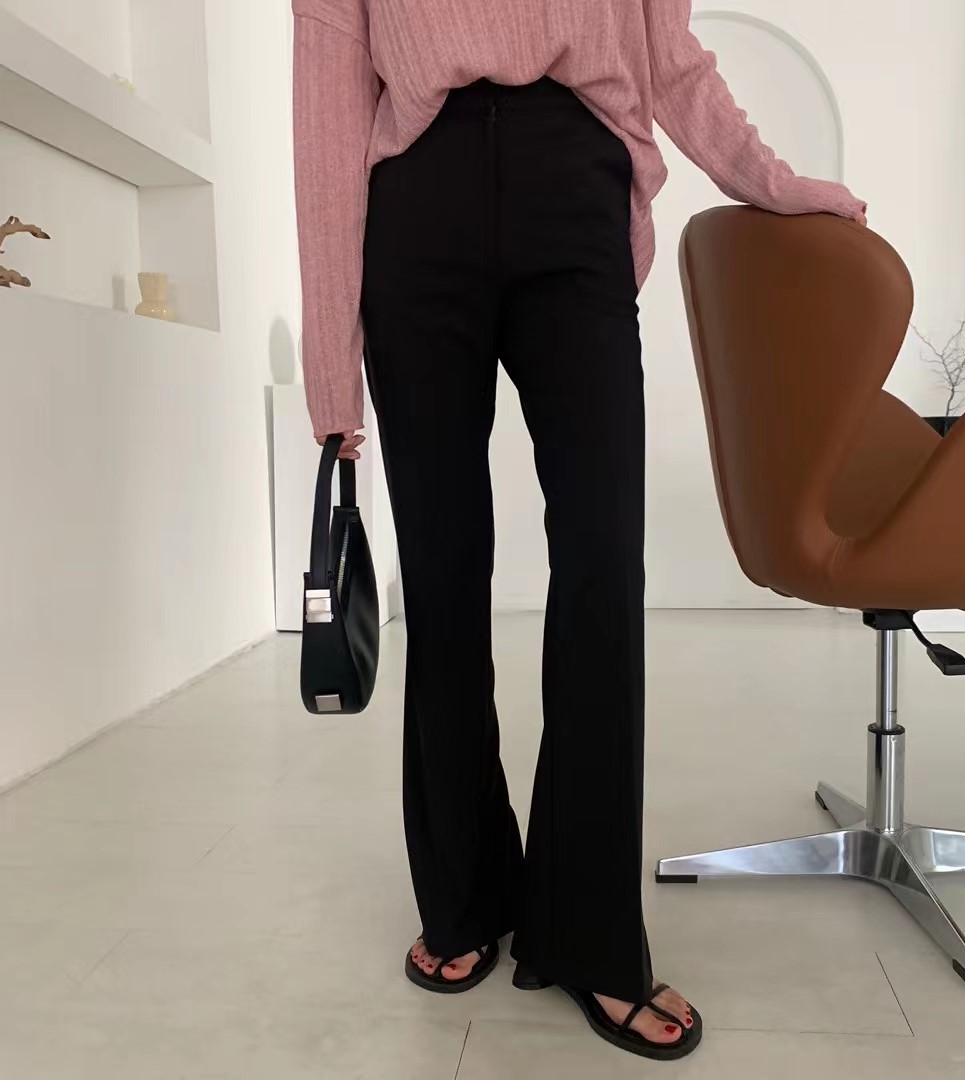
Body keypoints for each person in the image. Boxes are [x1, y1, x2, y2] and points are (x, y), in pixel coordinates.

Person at [292, 0, 865, 1061]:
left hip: (574, 182)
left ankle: (591, 931)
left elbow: (668, 56)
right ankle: (464, 896)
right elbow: (328, 112)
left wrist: (771, 180)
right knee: (444, 579)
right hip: (419, 201)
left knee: (603, 566)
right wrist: (332, 368)